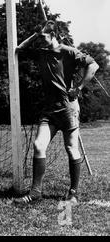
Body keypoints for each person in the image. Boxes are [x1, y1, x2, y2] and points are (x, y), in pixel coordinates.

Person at [15, 20, 99, 204]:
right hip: (49, 109)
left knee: (71, 148)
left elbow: (93, 66)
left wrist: (79, 87)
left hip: (68, 107)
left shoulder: (67, 51)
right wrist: (37, 33)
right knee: (38, 145)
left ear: (53, 35)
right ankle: (35, 192)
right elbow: (19, 48)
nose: (40, 40)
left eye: (43, 36)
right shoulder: (41, 51)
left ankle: (73, 193)